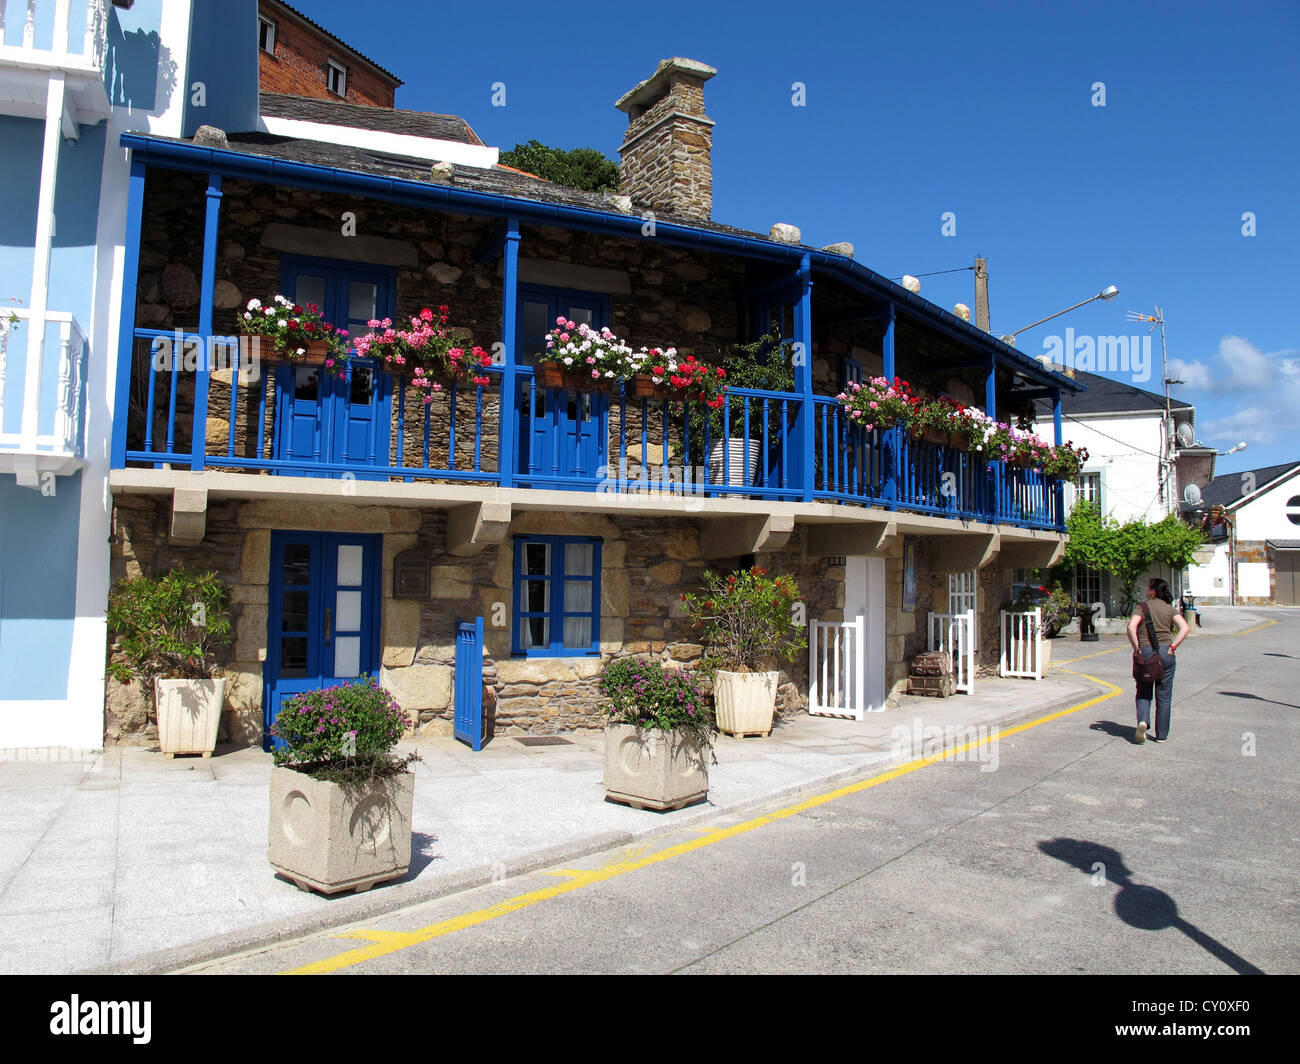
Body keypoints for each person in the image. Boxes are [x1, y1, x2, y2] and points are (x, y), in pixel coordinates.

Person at [1128, 577, 1189, 744]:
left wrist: (1136, 648)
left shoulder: (1142, 607)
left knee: (1143, 690)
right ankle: (1161, 734)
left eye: (1148, 587)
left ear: (1153, 591)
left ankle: (1143, 721)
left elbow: (1131, 627)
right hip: (1166, 653)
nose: (1146, 590)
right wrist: (1173, 646)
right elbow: (1185, 627)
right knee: (1164, 695)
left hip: (1146, 653)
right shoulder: (1169, 609)